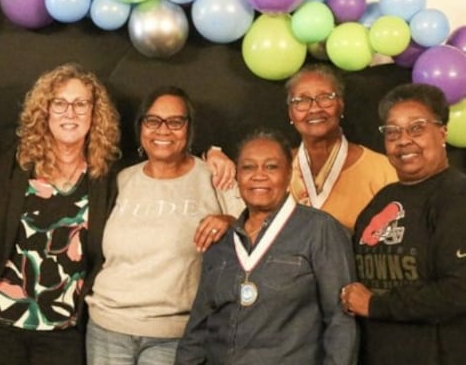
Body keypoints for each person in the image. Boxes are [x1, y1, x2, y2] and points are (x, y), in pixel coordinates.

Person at [0, 63, 121, 365]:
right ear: (44, 110)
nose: (69, 113)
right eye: (59, 103)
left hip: (61, 335)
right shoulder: (13, 160)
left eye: (80, 104)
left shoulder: (106, 176)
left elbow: (161, 158)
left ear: (95, 112)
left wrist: (213, 154)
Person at [84, 86, 244, 364]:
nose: (163, 130)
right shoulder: (121, 180)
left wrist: (229, 221)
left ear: (189, 128)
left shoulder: (214, 176)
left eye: (175, 122)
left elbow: (258, 232)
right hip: (107, 326)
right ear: (141, 127)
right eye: (153, 121)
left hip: (174, 334)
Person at [176, 128, 357, 364]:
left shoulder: (320, 230)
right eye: (248, 167)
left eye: (271, 167)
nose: (258, 175)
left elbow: (340, 321)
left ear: (288, 173)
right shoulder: (221, 240)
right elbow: (199, 326)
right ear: (237, 176)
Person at [342, 83, 466, 365]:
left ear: (442, 132)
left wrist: (376, 305)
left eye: (417, 128)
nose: (403, 140)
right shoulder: (384, 199)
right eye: (392, 132)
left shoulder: (457, 197)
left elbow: (458, 291)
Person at [286, 63, 396, 231]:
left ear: (341, 105)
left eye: (325, 98)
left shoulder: (383, 171)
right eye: (302, 100)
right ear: (291, 113)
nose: (314, 108)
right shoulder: (275, 168)